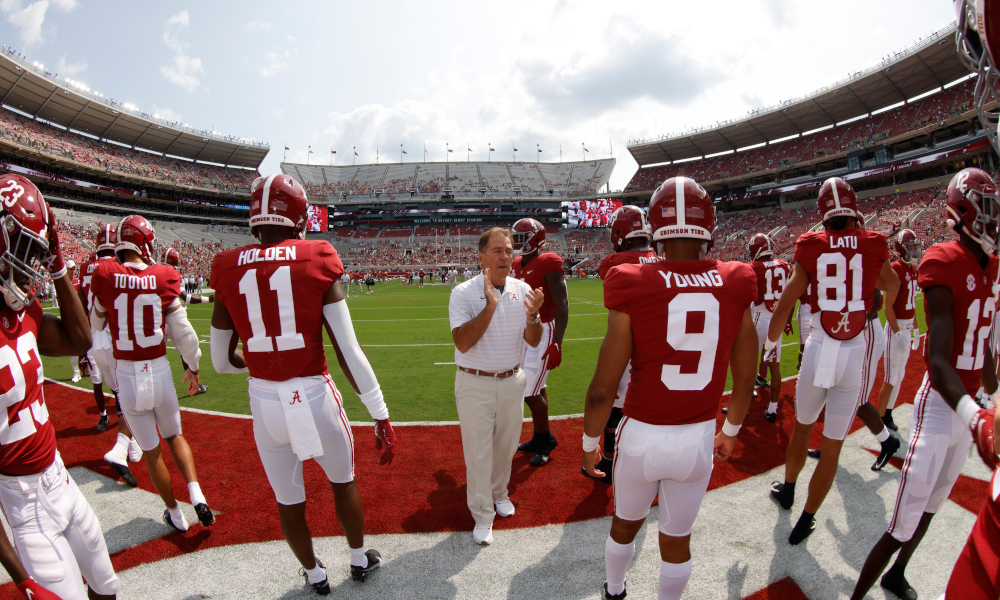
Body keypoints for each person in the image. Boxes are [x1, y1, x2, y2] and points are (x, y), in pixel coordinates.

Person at [210, 174, 393, 594]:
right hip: (313, 392)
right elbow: (349, 351)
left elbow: (220, 363)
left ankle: (314, 574)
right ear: (298, 214)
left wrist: (256, 366)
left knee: (288, 498)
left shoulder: (225, 266)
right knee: (342, 480)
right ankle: (359, 558)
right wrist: (380, 413)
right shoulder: (317, 255)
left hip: (264, 401)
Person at [581, 177, 758, 600]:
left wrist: (591, 442)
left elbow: (603, 389)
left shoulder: (632, 278)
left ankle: (616, 590)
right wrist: (731, 430)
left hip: (641, 433)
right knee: (677, 540)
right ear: (709, 225)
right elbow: (746, 375)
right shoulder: (736, 279)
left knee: (625, 523)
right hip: (697, 436)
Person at [848, 168, 1000, 599]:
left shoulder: (992, 267)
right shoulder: (943, 259)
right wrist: (977, 418)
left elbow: (986, 347)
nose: (994, 220)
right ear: (963, 210)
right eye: (986, 210)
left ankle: (896, 576)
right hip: (940, 408)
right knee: (902, 522)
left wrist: (992, 398)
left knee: (932, 508)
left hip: (969, 405)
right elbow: (937, 361)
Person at [0, 174, 120, 599]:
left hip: (59, 478)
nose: (32, 259)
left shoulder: (23, 310)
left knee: (107, 587)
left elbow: (81, 339)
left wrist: (58, 265)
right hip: (22, 502)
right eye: (28, 248)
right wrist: (21, 577)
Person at [762, 176, 899, 545]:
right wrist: (870, 292)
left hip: (821, 346)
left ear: (822, 212)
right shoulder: (873, 244)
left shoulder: (811, 245)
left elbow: (784, 306)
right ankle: (806, 519)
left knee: (803, 428)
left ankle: (788, 490)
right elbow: (891, 285)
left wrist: (770, 345)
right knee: (833, 445)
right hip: (853, 352)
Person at [90, 215, 215, 532]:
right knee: (175, 436)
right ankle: (196, 492)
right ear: (144, 243)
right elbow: (184, 334)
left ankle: (175, 514)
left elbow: (96, 323)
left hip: (128, 376)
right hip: (158, 370)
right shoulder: (163, 276)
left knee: (151, 451)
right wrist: (193, 368)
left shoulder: (105, 274)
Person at [450, 227, 544, 545]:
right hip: (474, 381)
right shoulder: (463, 292)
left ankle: (500, 493)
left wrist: (533, 316)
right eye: (497, 250)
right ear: (481, 257)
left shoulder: (522, 288)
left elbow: (533, 340)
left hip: (511, 380)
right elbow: (462, 343)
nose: (505, 256)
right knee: (478, 453)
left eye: (508, 250)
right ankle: (481, 515)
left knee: (506, 447)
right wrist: (490, 305)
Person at [584, 205, 658, 484]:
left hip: (630, 344)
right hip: (659, 344)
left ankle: (611, 460)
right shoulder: (661, 259)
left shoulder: (614, 264)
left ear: (619, 233)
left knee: (615, 405)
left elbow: (610, 271)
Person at [82, 228, 143, 486]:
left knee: (119, 393)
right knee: (131, 395)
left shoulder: (86, 267)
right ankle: (129, 446)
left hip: (94, 341)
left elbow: (80, 305)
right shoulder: (116, 268)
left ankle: (130, 442)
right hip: (113, 338)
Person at [511, 218, 569, 466]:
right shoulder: (515, 262)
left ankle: (545, 439)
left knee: (527, 388)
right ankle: (539, 436)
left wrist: (557, 342)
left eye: (521, 238)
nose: (516, 242)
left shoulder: (549, 261)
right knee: (536, 386)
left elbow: (562, 304)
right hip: (525, 329)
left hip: (545, 328)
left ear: (535, 239)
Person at [877, 229, 922, 432]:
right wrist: (897, 333)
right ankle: (879, 420)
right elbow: (888, 307)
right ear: (901, 248)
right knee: (890, 377)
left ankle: (888, 412)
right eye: (911, 246)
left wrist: (916, 327)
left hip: (906, 327)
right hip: (896, 330)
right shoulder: (895, 269)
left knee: (900, 375)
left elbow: (911, 303)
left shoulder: (912, 268)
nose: (915, 250)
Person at [747, 233, 790, 422]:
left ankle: (743, 403)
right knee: (775, 367)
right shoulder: (784, 265)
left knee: (746, 364)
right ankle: (772, 410)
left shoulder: (754, 267)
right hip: (776, 319)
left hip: (758, 317)